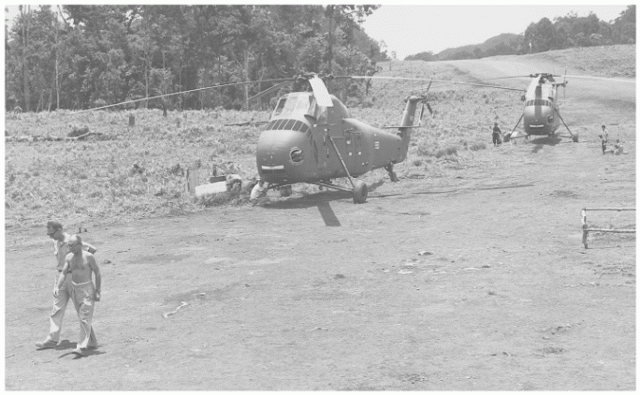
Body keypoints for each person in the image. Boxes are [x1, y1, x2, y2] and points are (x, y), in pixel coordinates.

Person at [36, 221, 97, 350]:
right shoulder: (56, 242)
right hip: (60, 276)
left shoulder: (71, 240)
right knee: (56, 308)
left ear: (59, 230)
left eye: (51, 233)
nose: (50, 236)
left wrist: (81, 266)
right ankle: (52, 339)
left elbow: (91, 249)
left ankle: (90, 340)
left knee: (81, 310)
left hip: (74, 278)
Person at [55, 235, 101, 355]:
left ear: (80, 245)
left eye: (73, 245)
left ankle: (81, 346)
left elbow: (97, 273)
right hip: (75, 290)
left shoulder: (88, 256)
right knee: (83, 318)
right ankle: (93, 342)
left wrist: (98, 291)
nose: (70, 248)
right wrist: (57, 287)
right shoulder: (69, 257)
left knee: (84, 318)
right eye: (69, 245)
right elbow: (64, 273)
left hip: (87, 290)